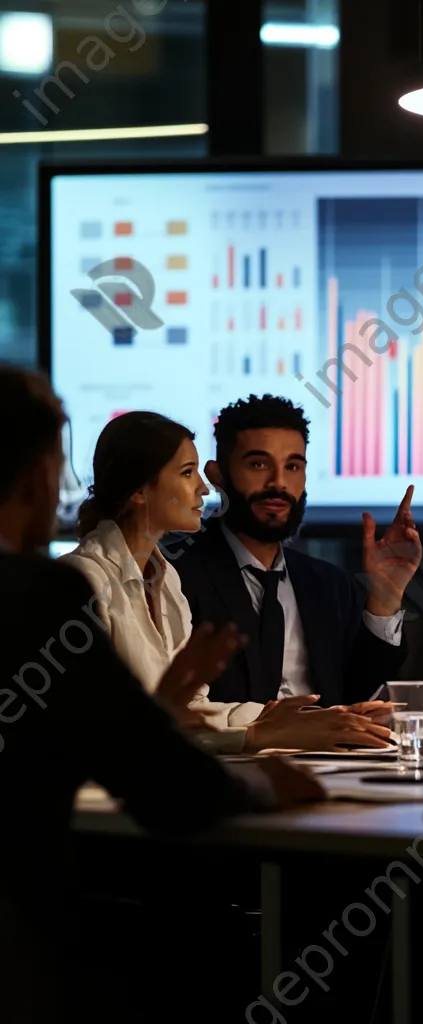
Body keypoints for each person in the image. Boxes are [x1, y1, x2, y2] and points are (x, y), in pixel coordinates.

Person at [0, 366, 325, 1023]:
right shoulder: (49, 594)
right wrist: (270, 784)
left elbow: (127, 725)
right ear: (36, 478)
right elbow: (155, 775)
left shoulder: (163, 578)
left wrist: (251, 718)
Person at [61, 410, 391, 754]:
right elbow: (103, 727)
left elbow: (192, 708)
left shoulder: (165, 580)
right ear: (140, 490)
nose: (203, 487)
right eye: (187, 473)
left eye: (294, 466)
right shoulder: (81, 580)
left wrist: (312, 718)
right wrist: (255, 736)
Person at [171, 394, 419, 712]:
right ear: (217, 475)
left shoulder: (329, 585)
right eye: (258, 464)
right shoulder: (176, 573)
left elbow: (357, 696)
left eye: (292, 466)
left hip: (331, 757)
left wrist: (384, 600)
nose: (278, 483)